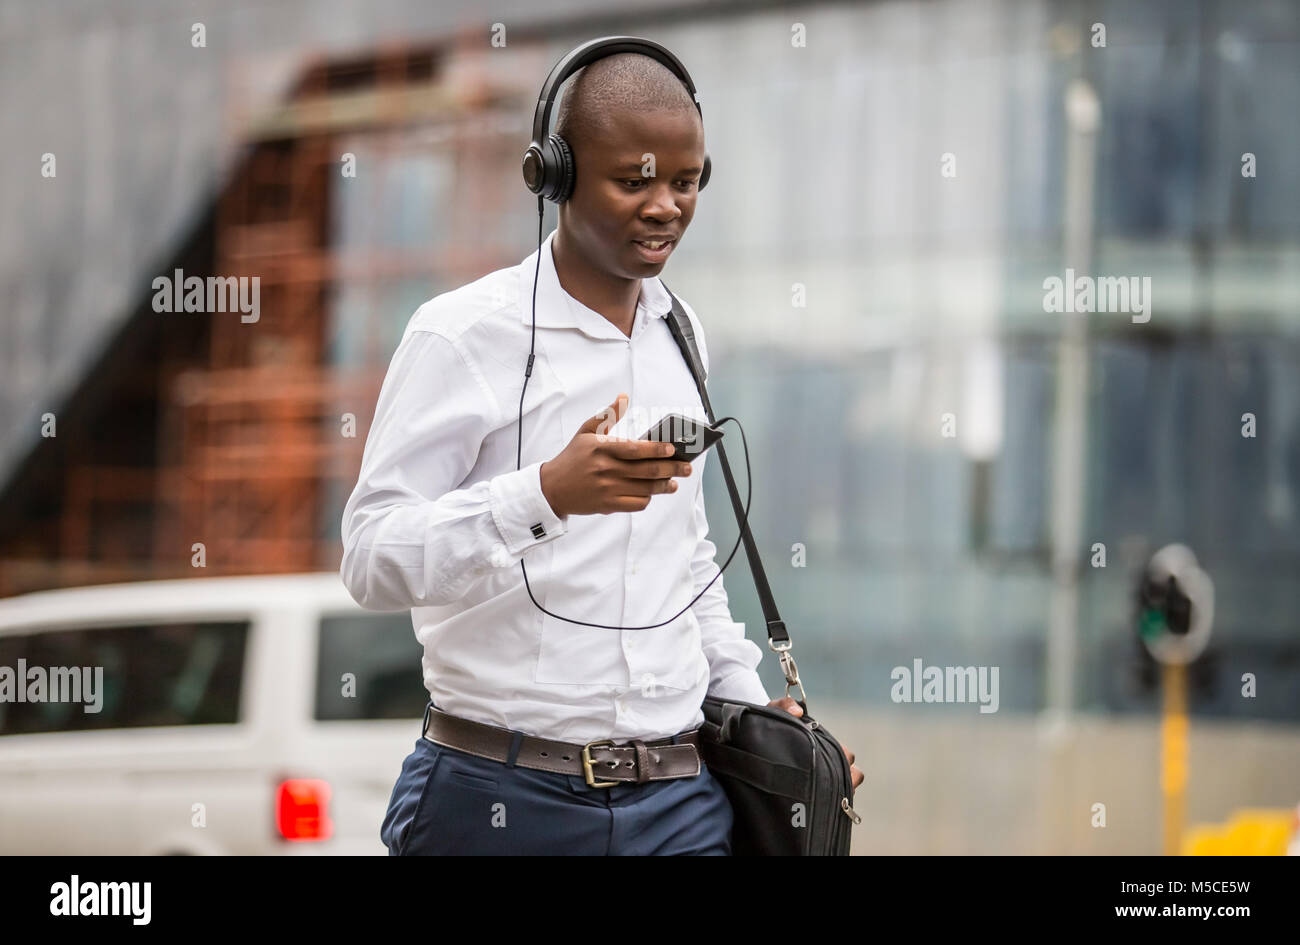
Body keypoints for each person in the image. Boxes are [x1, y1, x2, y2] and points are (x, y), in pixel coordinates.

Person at [340, 49, 863, 856]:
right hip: (498, 799)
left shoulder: (679, 333)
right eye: (634, 182)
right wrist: (545, 493)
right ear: (555, 176)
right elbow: (371, 559)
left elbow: (689, 565)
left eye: (685, 183)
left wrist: (758, 716)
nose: (665, 208)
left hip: (680, 803)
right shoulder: (462, 334)